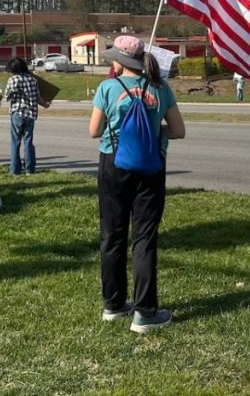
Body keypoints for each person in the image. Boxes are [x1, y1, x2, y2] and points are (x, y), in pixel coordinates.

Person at [89, 35, 185, 334]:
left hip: (113, 163)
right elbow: (179, 131)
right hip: (151, 165)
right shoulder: (160, 87)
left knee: (112, 235)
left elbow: (94, 131)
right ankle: (145, 311)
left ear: (120, 61)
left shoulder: (107, 88)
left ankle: (113, 305)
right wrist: (153, 127)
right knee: (143, 238)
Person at [4, 57, 50, 175]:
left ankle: (15, 170)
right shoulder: (32, 79)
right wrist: (45, 104)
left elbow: (7, 97)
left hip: (17, 112)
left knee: (16, 142)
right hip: (30, 114)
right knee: (28, 141)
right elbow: (37, 97)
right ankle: (30, 169)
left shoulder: (13, 80)